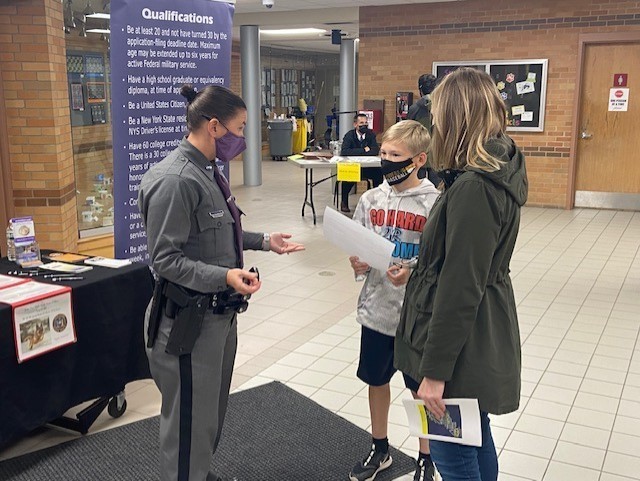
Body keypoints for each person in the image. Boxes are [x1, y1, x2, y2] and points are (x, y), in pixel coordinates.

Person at [138, 84, 304, 481]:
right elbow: (166, 260)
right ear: (214, 127)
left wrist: (264, 241)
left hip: (217, 322)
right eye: (240, 128)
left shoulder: (207, 172)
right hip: (185, 325)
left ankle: (197, 472)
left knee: (206, 418)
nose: (244, 138)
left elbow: (217, 234)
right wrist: (226, 276)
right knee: (188, 426)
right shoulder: (176, 180)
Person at [394, 68, 527, 481]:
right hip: (475, 330)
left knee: (452, 452)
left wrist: (435, 374)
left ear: (457, 117)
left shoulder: (473, 187)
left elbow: (461, 285)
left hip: (456, 344)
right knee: (474, 435)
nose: (433, 126)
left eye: (437, 116)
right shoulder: (495, 169)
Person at [347, 120, 440, 481]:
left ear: (419, 159)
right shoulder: (371, 199)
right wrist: (358, 261)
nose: (386, 161)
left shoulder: (434, 204)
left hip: (416, 317)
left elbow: (438, 261)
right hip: (378, 310)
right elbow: (360, 248)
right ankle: (380, 446)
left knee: (420, 390)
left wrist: (412, 272)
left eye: (395, 156)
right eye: (383, 153)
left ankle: (426, 456)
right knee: (376, 380)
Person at [339, 113, 382, 213]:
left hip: (368, 168)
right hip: (354, 167)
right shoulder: (349, 135)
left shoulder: (371, 134)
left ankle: (376, 201)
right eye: (361, 123)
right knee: (347, 174)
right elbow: (344, 151)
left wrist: (356, 151)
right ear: (355, 124)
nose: (364, 125)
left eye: (366, 123)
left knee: (379, 173)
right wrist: (363, 150)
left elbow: (375, 150)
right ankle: (344, 202)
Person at [407, 73, 440, 185]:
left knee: (417, 187)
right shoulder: (443, 108)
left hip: (418, 154)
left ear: (420, 89)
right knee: (437, 190)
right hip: (438, 154)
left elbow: (408, 132)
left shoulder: (414, 109)